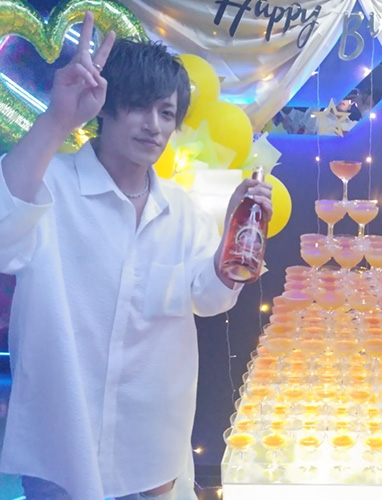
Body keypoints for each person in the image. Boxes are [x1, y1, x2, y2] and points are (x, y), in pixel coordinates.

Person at [0, 12, 272, 500]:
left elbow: (209, 297)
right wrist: (57, 120)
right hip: (60, 444)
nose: (153, 126)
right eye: (139, 107)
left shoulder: (182, 210)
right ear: (105, 108)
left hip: (149, 451)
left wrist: (235, 235)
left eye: (166, 113)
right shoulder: (50, 183)